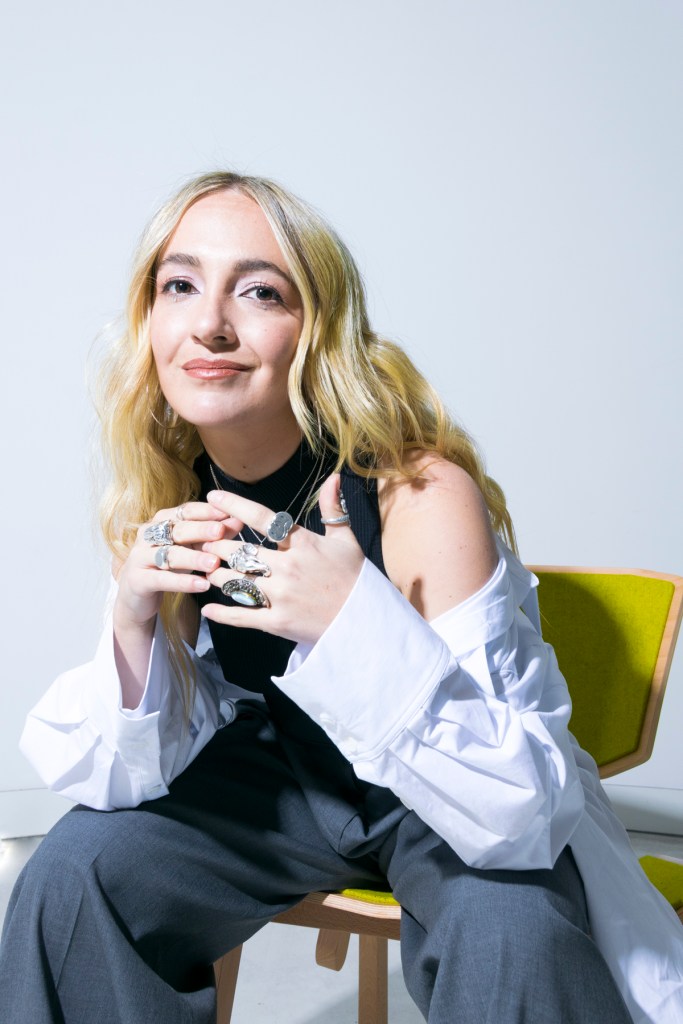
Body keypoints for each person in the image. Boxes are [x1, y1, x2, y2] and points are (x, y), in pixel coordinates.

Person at [1, 172, 681, 1024]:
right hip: (280, 777)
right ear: (149, 321)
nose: (210, 324)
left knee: (512, 929)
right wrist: (134, 622)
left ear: (316, 329)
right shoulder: (169, 487)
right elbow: (136, 765)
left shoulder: (414, 492)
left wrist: (349, 618)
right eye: (180, 285)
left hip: (440, 797)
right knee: (73, 874)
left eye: (259, 292)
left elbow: (519, 813)